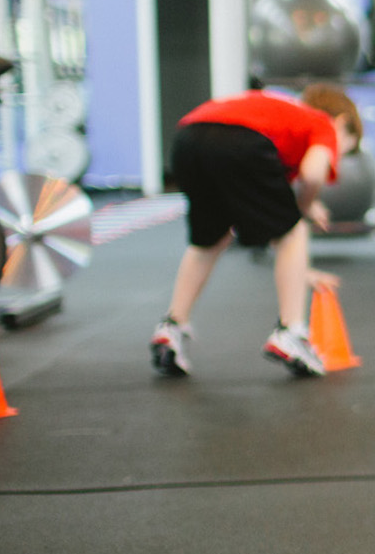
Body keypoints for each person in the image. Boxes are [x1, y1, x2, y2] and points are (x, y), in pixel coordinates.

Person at [150, 82, 361, 379]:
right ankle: (291, 332)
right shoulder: (322, 122)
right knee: (295, 230)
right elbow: (313, 174)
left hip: (188, 141)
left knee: (209, 240)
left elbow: (271, 223)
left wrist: (303, 272)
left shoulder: (282, 117)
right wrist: (306, 204)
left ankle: (172, 327)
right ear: (342, 123)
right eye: (345, 147)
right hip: (240, 143)